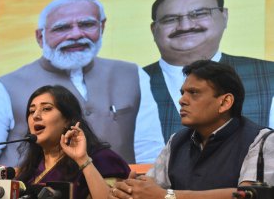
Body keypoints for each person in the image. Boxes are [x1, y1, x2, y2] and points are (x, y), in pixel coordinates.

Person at [0, 0, 164, 165]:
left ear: (102, 27)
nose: (76, 35)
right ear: (40, 37)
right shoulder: (4, 87)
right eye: (62, 28)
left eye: (87, 24)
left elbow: (149, 152)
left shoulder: (132, 74)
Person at [109, 60, 274, 199]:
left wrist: (168, 196)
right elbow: (152, 190)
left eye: (194, 93)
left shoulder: (261, 140)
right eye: (182, 93)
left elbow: (249, 195)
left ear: (225, 102)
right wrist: (131, 190)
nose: (182, 100)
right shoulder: (176, 142)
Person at [143, 0, 274, 142]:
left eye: (199, 13)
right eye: (170, 19)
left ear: (224, 16)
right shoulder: (132, 81)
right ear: (153, 30)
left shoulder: (268, 75)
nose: (185, 26)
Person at [17, 85, 130, 199]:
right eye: (31, 111)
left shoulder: (102, 159)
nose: (35, 116)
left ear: (67, 119)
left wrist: (83, 160)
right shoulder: (28, 172)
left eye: (46, 108)